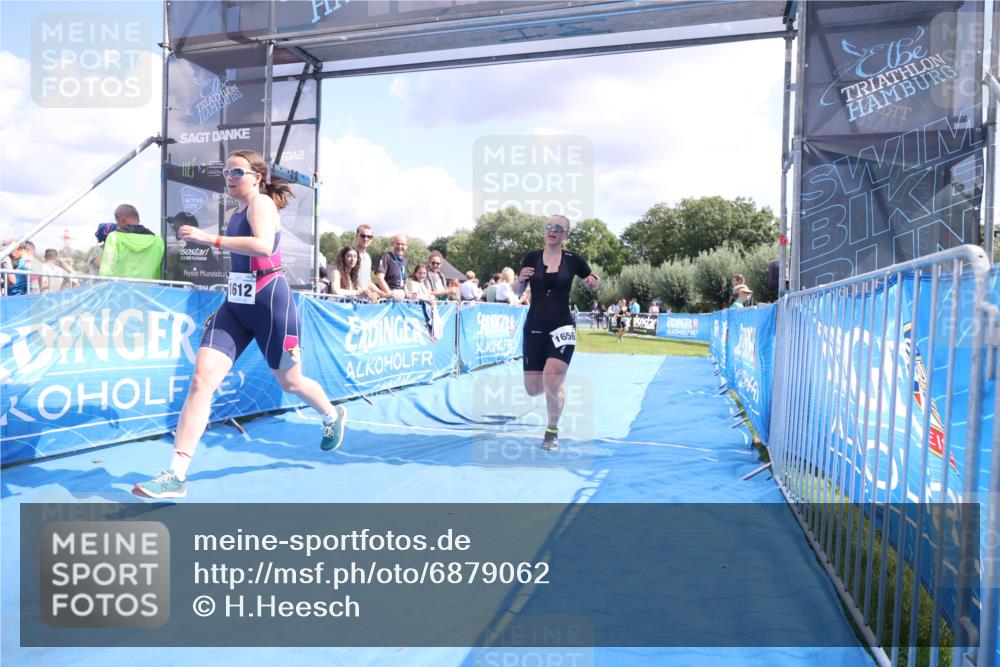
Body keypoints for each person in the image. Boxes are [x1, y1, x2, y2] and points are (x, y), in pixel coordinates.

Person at [133, 149, 347, 499]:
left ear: (256, 177)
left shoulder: (261, 204)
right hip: (236, 302)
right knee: (201, 380)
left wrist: (210, 238)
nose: (229, 178)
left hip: (270, 301)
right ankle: (175, 474)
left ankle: (331, 413)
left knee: (291, 381)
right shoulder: (235, 211)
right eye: (226, 172)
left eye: (236, 172)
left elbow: (262, 247)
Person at [513, 214, 599, 451]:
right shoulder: (531, 257)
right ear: (545, 231)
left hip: (562, 326)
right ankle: (554, 387)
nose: (553, 230)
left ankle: (551, 432)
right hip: (534, 326)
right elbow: (517, 289)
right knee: (533, 389)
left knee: (551, 380)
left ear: (565, 235)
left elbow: (592, 281)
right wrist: (519, 280)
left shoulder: (573, 260)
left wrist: (593, 282)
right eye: (549, 226)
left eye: (559, 228)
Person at [100, 205, 164, 279]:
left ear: (120, 220)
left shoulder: (114, 237)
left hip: (120, 289)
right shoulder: (158, 241)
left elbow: (106, 272)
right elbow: (157, 271)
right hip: (148, 289)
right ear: (138, 219)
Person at [406, 262, 441, 342]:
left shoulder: (421, 283)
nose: (422, 275)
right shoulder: (411, 282)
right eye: (420, 273)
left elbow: (427, 294)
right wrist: (428, 299)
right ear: (415, 273)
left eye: (424, 273)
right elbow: (414, 296)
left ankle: (431, 332)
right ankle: (430, 333)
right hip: (416, 308)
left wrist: (430, 298)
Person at [375, 234, 408, 301]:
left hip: (400, 296)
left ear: (406, 246)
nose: (400, 246)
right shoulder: (387, 257)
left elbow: (403, 281)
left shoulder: (405, 260)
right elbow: (379, 278)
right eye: (397, 243)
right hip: (389, 298)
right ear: (393, 244)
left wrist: (408, 294)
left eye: (402, 244)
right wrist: (390, 294)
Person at [353, 224, 382, 297]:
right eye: (363, 235)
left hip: (362, 301)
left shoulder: (368, 257)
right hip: (349, 300)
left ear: (372, 239)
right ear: (357, 237)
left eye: (369, 236)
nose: (366, 239)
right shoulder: (350, 254)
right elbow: (346, 279)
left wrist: (384, 294)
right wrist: (363, 292)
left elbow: (368, 282)